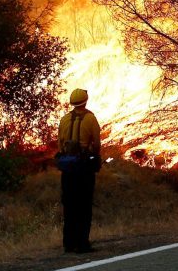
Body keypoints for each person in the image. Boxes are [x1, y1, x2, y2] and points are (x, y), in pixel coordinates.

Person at [58, 88, 102, 253]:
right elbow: (96, 144)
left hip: (67, 169)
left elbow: (59, 143)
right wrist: (94, 156)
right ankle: (82, 243)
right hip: (83, 169)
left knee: (69, 206)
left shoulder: (64, 119)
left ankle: (68, 243)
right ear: (86, 100)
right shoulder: (90, 119)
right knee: (84, 206)